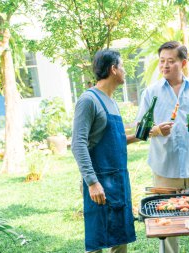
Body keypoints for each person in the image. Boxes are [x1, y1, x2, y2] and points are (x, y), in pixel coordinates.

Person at [136, 41, 189, 253]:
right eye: (162, 61)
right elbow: (140, 130)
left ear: (183, 63)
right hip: (165, 166)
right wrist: (156, 130)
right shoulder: (151, 92)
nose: (165, 66)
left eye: (170, 61)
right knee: (167, 221)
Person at [72, 49, 136, 253]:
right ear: (113, 69)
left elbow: (116, 140)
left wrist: (144, 134)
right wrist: (92, 183)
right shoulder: (88, 100)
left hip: (118, 181)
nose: (125, 71)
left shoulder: (112, 102)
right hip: (98, 183)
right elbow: (78, 143)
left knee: (120, 238)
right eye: (122, 66)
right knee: (98, 240)